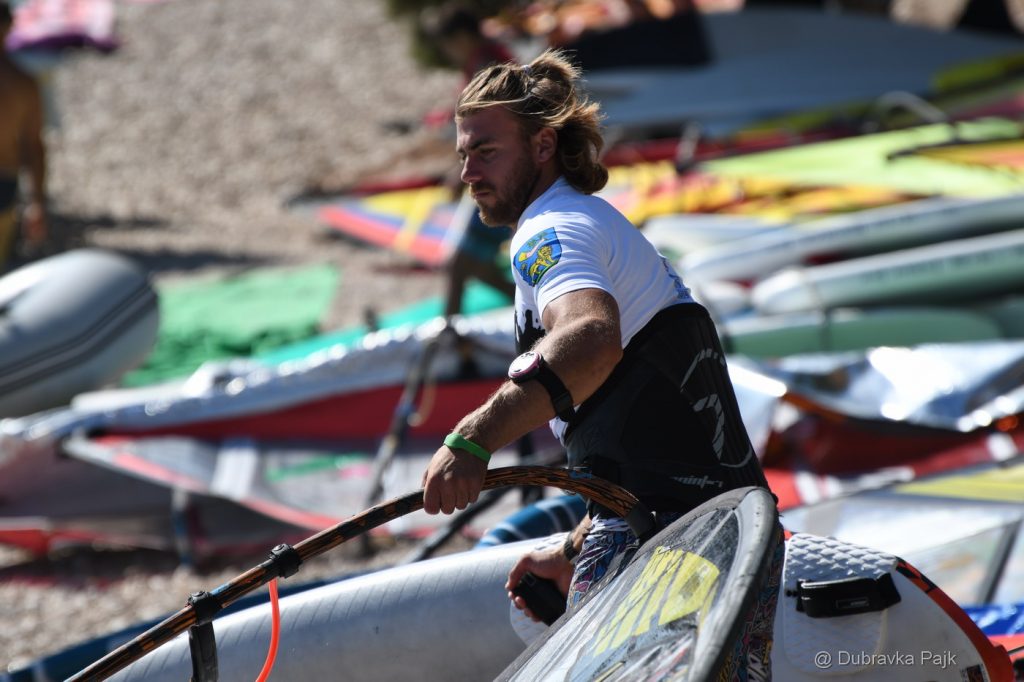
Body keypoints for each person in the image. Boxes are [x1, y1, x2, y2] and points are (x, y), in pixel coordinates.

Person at [421, 49, 783, 678]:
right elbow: (648, 440)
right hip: (732, 535)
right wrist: (575, 547)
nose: (468, 172)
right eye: (463, 154)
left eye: (486, 151)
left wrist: (472, 439)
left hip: (671, 543)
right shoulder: (593, 223)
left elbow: (590, 338)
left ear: (543, 145)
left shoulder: (549, 231)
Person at [0, 0, 47, 268]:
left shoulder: (25, 83)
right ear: (10, 27)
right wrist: (36, 202)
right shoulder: (23, 82)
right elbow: (34, 148)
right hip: (4, 182)